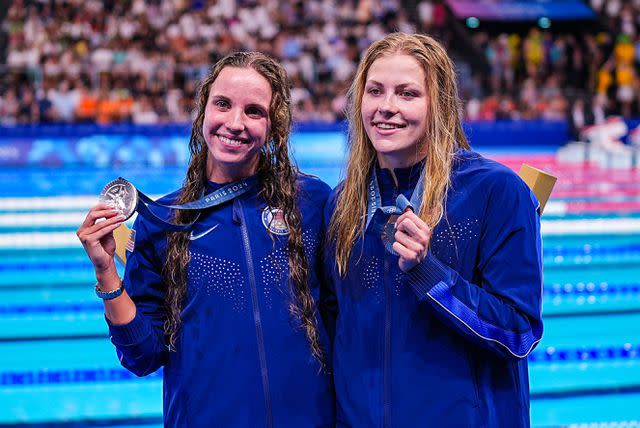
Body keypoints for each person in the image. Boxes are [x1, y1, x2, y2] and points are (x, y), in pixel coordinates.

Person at [77, 52, 335, 426]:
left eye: (254, 111)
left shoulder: (311, 202)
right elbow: (142, 356)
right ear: (203, 113)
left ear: (274, 125)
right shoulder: (162, 221)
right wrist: (107, 274)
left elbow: (342, 318)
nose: (235, 123)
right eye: (223, 104)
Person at [324, 33, 543, 427]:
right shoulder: (343, 204)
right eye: (375, 91)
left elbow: (519, 333)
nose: (386, 108)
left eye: (407, 94)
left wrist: (431, 274)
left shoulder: (495, 191)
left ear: (438, 104)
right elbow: (336, 332)